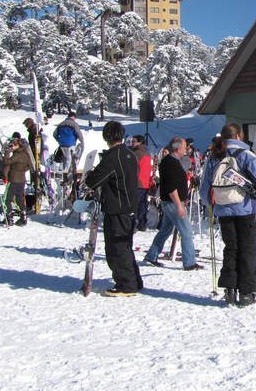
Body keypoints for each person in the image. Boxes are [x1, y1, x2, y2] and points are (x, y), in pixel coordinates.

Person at [200, 123, 256, 307]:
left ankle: (229, 289)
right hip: (246, 210)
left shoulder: (215, 156)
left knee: (231, 248)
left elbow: (205, 187)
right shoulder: (247, 155)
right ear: (239, 136)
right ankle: (247, 292)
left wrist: (212, 205)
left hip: (223, 210)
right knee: (247, 250)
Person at [84, 121, 143, 296]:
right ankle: (134, 280)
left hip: (117, 207)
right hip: (129, 204)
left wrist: (90, 175)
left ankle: (126, 284)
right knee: (125, 246)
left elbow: (94, 181)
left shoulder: (113, 156)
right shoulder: (130, 154)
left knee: (117, 248)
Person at [144, 137, 200, 271]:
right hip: (173, 203)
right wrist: (179, 205)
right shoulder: (170, 163)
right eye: (185, 147)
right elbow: (171, 187)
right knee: (186, 232)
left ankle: (152, 255)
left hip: (171, 202)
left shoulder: (172, 161)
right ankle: (189, 262)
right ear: (178, 148)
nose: (186, 149)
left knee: (165, 230)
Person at [2, 138, 32, 226]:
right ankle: (23, 218)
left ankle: (9, 218)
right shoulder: (26, 154)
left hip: (13, 179)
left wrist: (6, 154)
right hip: (22, 179)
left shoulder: (16, 155)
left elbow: (6, 162)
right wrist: (22, 170)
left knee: (7, 199)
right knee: (20, 199)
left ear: (18, 145)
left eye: (12, 145)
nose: (11, 147)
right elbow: (30, 165)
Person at [130, 135, 153, 231]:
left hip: (137, 182)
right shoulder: (148, 153)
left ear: (140, 142)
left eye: (134, 141)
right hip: (145, 182)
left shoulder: (135, 153)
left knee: (134, 204)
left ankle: (133, 223)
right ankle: (142, 223)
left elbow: (132, 168)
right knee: (143, 204)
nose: (132, 143)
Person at [53, 112, 84, 176]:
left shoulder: (61, 124)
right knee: (70, 159)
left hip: (62, 145)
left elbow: (54, 134)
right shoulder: (74, 124)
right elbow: (79, 133)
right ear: (73, 117)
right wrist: (82, 141)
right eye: (75, 118)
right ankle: (66, 173)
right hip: (71, 144)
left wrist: (59, 140)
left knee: (65, 157)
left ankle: (60, 171)